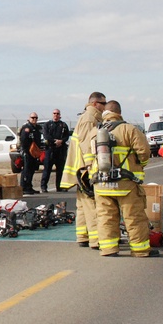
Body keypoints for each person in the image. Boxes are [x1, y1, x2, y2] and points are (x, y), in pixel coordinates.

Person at [86, 100, 155, 257]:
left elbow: (88, 158)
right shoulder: (129, 129)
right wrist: (138, 166)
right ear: (119, 113)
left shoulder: (94, 132)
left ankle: (109, 249)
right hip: (125, 183)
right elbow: (144, 153)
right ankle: (140, 250)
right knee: (134, 217)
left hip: (101, 184)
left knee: (105, 218)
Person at [60, 92, 106, 248]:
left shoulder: (88, 117)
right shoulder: (89, 119)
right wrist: (91, 168)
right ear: (94, 103)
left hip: (80, 169)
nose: (104, 107)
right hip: (85, 170)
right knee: (92, 205)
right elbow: (88, 145)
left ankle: (82, 236)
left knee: (82, 205)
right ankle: (96, 239)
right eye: (103, 103)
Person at [41, 109, 71, 193]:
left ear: (60, 115)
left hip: (60, 150)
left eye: (57, 114)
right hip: (50, 150)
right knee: (47, 169)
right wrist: (55, 141)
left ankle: (59, 186)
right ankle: (43, 187)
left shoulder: (63, 125)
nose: (56, 115)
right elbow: (46, 135)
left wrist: (61, 141)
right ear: (52, 114)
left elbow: (66, 136)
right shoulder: (47, 124)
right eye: (54, 113)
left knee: (60, 170)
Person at [18, 112, 44, 194]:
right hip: (27, 152)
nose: (34, 119)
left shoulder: (37, 128)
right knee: (26, 170)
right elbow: (23, 141)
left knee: (32, 170)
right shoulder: (26, 128)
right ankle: (24, 187)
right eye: (32, 118)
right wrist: (26, 151)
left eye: (36, 118)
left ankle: (29, 186)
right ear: (29, 118)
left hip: (34, 153)